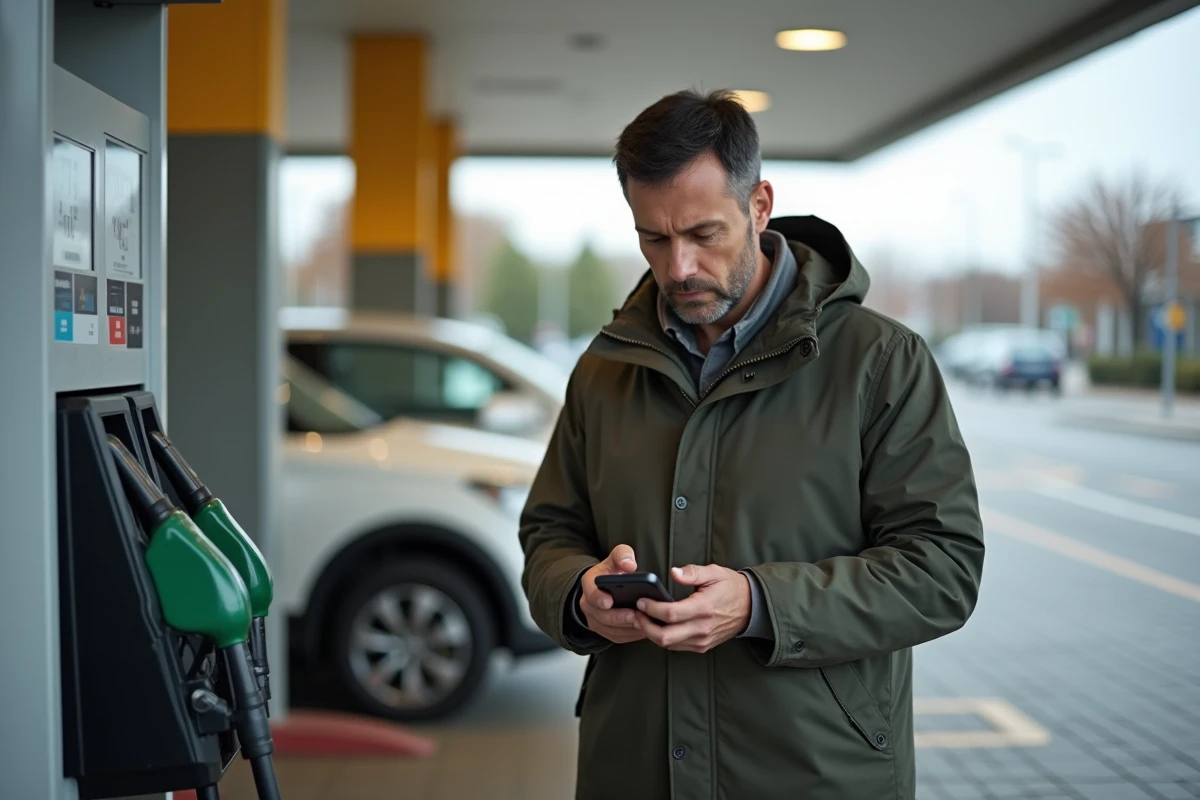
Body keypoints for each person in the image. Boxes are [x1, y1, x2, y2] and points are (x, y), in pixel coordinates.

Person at [519, 89, 985, 800]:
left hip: (817, 775)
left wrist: (762, 604)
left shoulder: (881, 362)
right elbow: (549, 533)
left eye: (703, 233)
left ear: (759, 206)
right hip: (632, 770)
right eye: (653, 238)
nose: (678, 267)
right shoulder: (604, 369)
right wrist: (579, 596)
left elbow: (943, 568)